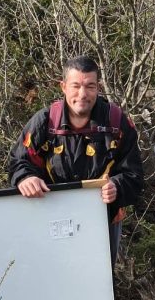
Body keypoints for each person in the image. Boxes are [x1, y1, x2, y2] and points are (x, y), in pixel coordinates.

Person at [8, 56, 143, 262]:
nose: (82, 94)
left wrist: (117, 187)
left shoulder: (116, 122)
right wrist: (25, 178)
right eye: (75, 86)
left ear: (98, 87)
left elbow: (134, 174)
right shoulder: (45, 122)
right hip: (50, 218)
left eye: (90, 86)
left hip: (104, 220)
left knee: (100, 285)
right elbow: (18, 161)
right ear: (63, 87)